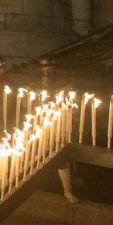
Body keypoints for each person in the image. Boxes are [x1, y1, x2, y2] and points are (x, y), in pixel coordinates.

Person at [33, 56, 80, 204]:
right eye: (44, 67)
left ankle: (67, 190)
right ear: (40, 69)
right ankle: (32, 186)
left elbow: (73, 101)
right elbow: (25, 103)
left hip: (59, 123)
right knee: (35, 155)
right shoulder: (31, 83)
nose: (46, 70)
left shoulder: (64, 83)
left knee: (61, 156)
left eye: (49, 67)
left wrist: (73, 115)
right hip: (39, 123)